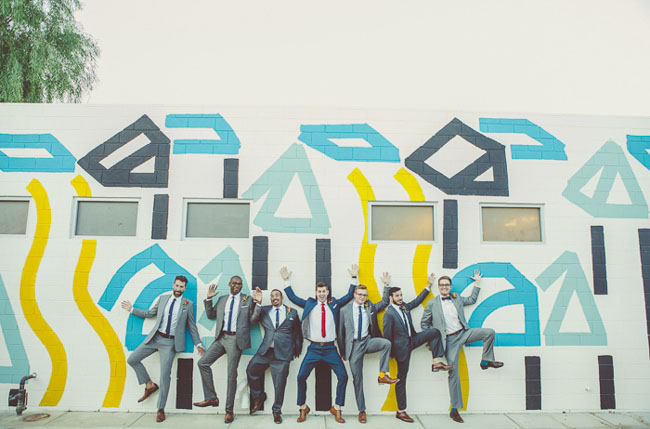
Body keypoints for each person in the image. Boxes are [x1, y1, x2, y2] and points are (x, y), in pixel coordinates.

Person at [421, 270, 504, 423]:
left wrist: (477, 282)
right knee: (453, 373)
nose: (444, 287)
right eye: (442, 285)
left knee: (489, 332)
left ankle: (485, 361)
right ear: (438, 287)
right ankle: (454, 409)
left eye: (447, 285)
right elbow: (424, 324)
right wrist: (432, 341)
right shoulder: (432, 303)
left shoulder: (456, 297)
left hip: (464, 333)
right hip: (449, 341)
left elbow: (472, 299)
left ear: (450, 286)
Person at [121, 275, 205, 423]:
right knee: (132, 359)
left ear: (184, 288)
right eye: (177, 285)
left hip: (170, 343)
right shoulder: (163, 298)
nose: (178, 289)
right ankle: (149, 385)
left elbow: (192, 326)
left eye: (181, 287)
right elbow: (150, 313)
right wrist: (132, 309)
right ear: (173, 285)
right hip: (155, 338)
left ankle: (160, 408)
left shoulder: (188, 304)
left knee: (165, 375)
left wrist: (198, 343)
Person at [282, 265, 355, 424]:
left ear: (328, 292)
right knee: (301, 376)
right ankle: (303, 408)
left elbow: (349, 295)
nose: (321, 294)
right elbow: (293, 298)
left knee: (343, 376)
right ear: (316, 293)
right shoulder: (310, 304)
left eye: (324, 291)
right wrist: (286, 280)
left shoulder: (334, 304)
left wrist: (354, 278)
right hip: (314, 348)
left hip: (330, 348)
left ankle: (337, 408)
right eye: (319, 291)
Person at [382, 273, 452, 423]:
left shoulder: (404, 307)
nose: (400, 298)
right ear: (391, 298)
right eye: (397, 296)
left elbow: (417, 301)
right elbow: (387, 336)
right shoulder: (389, 314)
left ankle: (436, 362)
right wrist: (391, 354)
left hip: (413, 340)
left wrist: (429, 286)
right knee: (401, 379)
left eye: (401, 295)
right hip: (401, 349)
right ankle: (401, 411)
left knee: (434, 332)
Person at [193, 276, 262, 423]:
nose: (237, 285)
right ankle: (211, 397)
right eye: (234, 283)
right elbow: (211, 315)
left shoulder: (247, 300)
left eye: (240, 284)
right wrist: (208, 299)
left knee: (231, 375)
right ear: (229, 284)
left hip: (236, 340)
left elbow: (253, 321)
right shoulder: (222, 299)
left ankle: (229, 411)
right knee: (203, 363)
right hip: (221, 338)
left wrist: (258, 304)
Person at [338, 271, 399, 423]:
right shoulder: (344, 310)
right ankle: (362, 410)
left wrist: (386, 285)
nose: (362, 297)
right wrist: (343, 351)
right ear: (354, 295)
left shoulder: (369, 306)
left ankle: (382, 375)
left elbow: (384, 302)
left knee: (386, 343)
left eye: (364, 295)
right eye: (360, 294)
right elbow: (340, 333)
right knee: (357, 379)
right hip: (353, 346)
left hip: (367, 341)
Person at [246, 289, 303, 424]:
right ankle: (259, 396)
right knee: (251, 370)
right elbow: (252, 319)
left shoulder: (292, 312)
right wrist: (257, 303)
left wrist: (296, 349)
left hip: (283, 355)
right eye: (271, 296)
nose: (274, 298)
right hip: (266, 351)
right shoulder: (264, 310)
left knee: (279, 384)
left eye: (276, 295)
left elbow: (297, 332)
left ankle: (276, 411)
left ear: (281, 297)